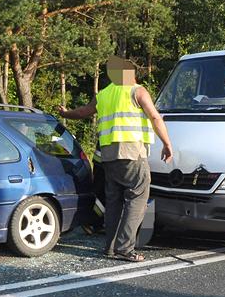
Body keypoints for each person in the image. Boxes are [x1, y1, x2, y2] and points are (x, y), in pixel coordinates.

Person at [58, 56, 173, 262]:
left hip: (109, 157)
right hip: (131, 152)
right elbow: (155, 117)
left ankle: (110, 248)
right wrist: (167, 143)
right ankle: (125, 249)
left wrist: (66, 114)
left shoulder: (103, 94)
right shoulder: (137, 91)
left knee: (114, 202)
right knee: (137, 198)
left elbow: (84, 111)